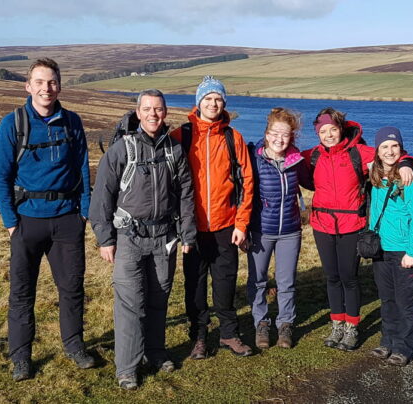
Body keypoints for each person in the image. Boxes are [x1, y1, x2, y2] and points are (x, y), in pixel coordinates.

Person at [0, 58, 94, 382]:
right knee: (22, 293)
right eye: (39, 82)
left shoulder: (72, 122)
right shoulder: (13, 123)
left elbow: (82, 170)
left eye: (51, 82)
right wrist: (10, 222)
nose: (45, 88)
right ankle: (21, 357)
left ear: (59, 85)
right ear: (28, 86)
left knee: (72, 288)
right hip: (26, 221)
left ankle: (74, 345)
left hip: (67, 220)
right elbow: (1, 177)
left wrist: (85, 214)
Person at [89, 89, 196, 390]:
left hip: (164, 237)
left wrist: (187, 233)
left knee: (159, 299)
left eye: (158, 109)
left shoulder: (174, 151)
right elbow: (102, 198)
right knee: (130, 304)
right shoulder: (121, 150)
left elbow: (186, 195)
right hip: (128, 238)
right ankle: (127, 368)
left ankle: (156, 351)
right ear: (138, 113)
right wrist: (104, 238)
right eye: (147, 109)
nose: (153, 114)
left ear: (165, 113)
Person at [301, 108, 413, 352]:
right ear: (317, 133)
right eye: (323, 131)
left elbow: (388, 154)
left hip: (352, 225)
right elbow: (289, 162)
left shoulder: (358, 153)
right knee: (331, 277)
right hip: (322, 225)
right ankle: (337, 324)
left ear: (341, 128)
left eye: (333, 129)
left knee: (349, 277)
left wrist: (406, 163)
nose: (329, 134)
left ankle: (352, 327)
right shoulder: (312, 156)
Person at [170, 76, 255, 358]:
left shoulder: (233, 137)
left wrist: (241, 224)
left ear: (224, 103)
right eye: (208, 98)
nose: (213, 103)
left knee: (226, 282)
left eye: (218, 99)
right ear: (198, 103)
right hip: (191, 226)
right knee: (194, 284)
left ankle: (229, 334)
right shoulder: (181, 135)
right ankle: (199, 337)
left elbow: (247, 182)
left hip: (225, 225)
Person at [246, 108, 309, 349]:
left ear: (291, 137)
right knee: (258, 280)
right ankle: (261, 324)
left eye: (285, 134)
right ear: (266, 133)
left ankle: (285, 325)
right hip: (260, 231)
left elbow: (320, 175)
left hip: (290, 231)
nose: (279, 139)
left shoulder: (297, 160)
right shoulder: (254, 159)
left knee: (286, 282)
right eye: (275, 133)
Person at [368, 126, 413, 366]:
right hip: (382, 251)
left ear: (401, 149)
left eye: (394, 146)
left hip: (406, 252)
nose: (390, 151)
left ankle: (404, 347)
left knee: (407, 302)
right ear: (378, 151)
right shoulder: (376, 178)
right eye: (384, 147)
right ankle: (387, 342)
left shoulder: (411, 180)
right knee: (388, 299)